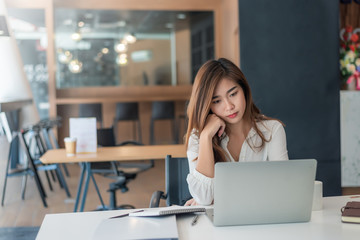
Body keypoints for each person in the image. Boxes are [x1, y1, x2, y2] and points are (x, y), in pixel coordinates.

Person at [184, 58, 289, 206]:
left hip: (263, 220)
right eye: (217, 101)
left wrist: (220, 196)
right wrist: (206, 137)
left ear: (244, 90)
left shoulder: (272, 130)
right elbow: (204, 198)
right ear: (207, 105)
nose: (229, 106)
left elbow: (284, 189)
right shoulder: (199, 137)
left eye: (233, 94)